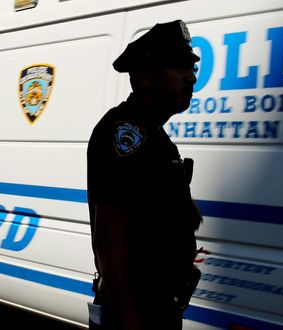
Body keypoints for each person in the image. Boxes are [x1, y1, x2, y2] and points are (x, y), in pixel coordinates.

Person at [87, 19, 203, 330]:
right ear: (146, 75)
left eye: (192, 68)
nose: (190, 77)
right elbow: (110, 239)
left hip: (157, 308)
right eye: (179, 67)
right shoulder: (128, 134)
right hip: (138, 313)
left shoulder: (155, 137)